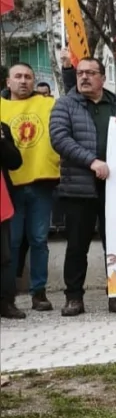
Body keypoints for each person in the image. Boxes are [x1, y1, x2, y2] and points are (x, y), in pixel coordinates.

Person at [48, 57, 116, 316]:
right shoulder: (65, 104)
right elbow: (60, 139)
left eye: (90, 73)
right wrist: (92, 161)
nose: (84, 77)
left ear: (102, 77)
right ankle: (74, 297)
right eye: (80, 73)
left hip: (115, 189)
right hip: (79, 188)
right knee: (77, 245)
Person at [0, 63, 59, 313]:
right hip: (8, 187)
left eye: (28, 77)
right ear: (8, 82)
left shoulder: (49, 104)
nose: (23, 81)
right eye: (18, 77)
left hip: (40, 183)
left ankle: (39, 293)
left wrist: (67, 69)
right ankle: (7, 295)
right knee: (10, 243)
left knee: (39, 241)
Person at [1, 121, 24, 318]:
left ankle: (6, 302)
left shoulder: (2, 128)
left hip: (1, 200)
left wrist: (2, 140)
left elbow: (15, 161)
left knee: (5, 255)